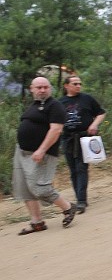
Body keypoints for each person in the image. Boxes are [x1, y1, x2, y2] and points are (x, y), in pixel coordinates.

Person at [13, 77, 78, 235]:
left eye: (45, 87)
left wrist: (41, 150)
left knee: (40, 188)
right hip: (22, 152)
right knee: (24, 188)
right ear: (32, 89)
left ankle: (68, 207)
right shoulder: (34, 105)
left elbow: (55, 130)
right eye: (39, 87)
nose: (42, 90)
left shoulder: (55, 106)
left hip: (42, 154)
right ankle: (37, 222)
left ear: (50, 88)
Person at [59, 75, 106, 213]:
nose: (78, 86)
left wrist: (94, 124)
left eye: (79, 83)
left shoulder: (87, 99)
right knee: (73, 170)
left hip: (84, 138)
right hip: (67, 139)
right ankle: (79, 196)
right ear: (66, 86)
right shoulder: (60, 102)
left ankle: (81, 201)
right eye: (75, 83)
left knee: (81, 168)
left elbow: (101, 113)